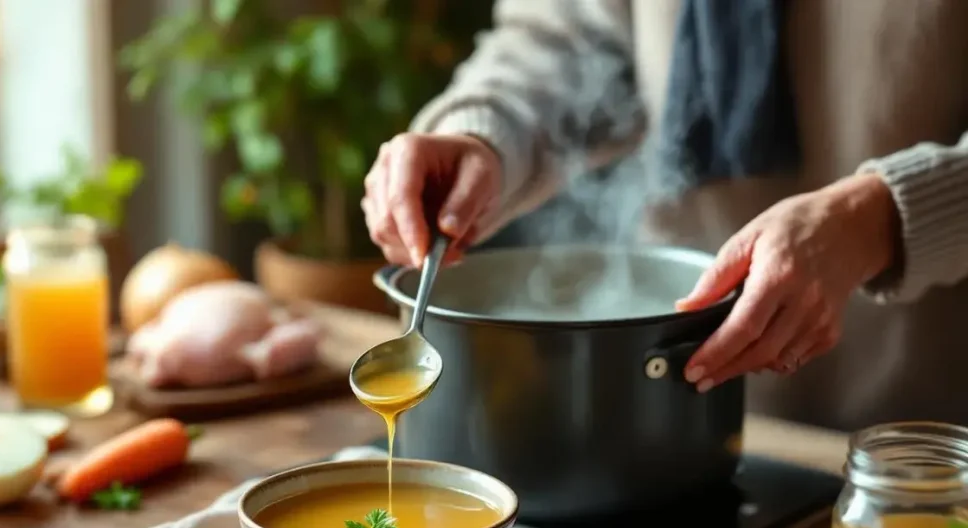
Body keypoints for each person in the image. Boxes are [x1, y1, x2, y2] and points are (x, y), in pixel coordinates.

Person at [361, 0, 968, 432]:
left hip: (929, 438)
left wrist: (878, 218)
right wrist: (482, 135)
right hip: (682, 411)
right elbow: (569, 38)